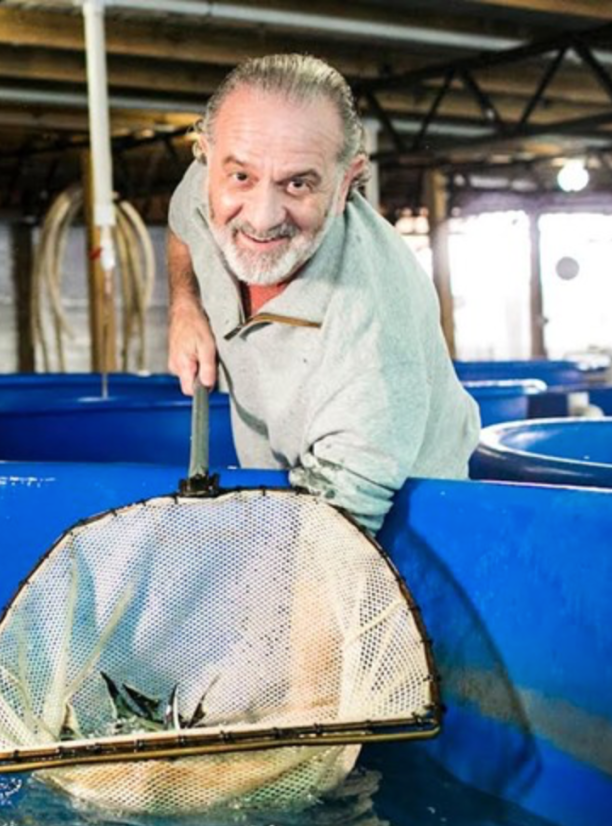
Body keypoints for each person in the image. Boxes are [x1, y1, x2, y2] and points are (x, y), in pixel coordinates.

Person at [167, 53, 479, 533]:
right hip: (288, 490)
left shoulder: (371, 332)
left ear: (346, 181)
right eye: (241, 177)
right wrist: (185, 306)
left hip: (405, 528)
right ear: (206, 156)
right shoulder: (204, 185)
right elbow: (183, 222)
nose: (262, 216)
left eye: (298, 183)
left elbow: (331, 545)